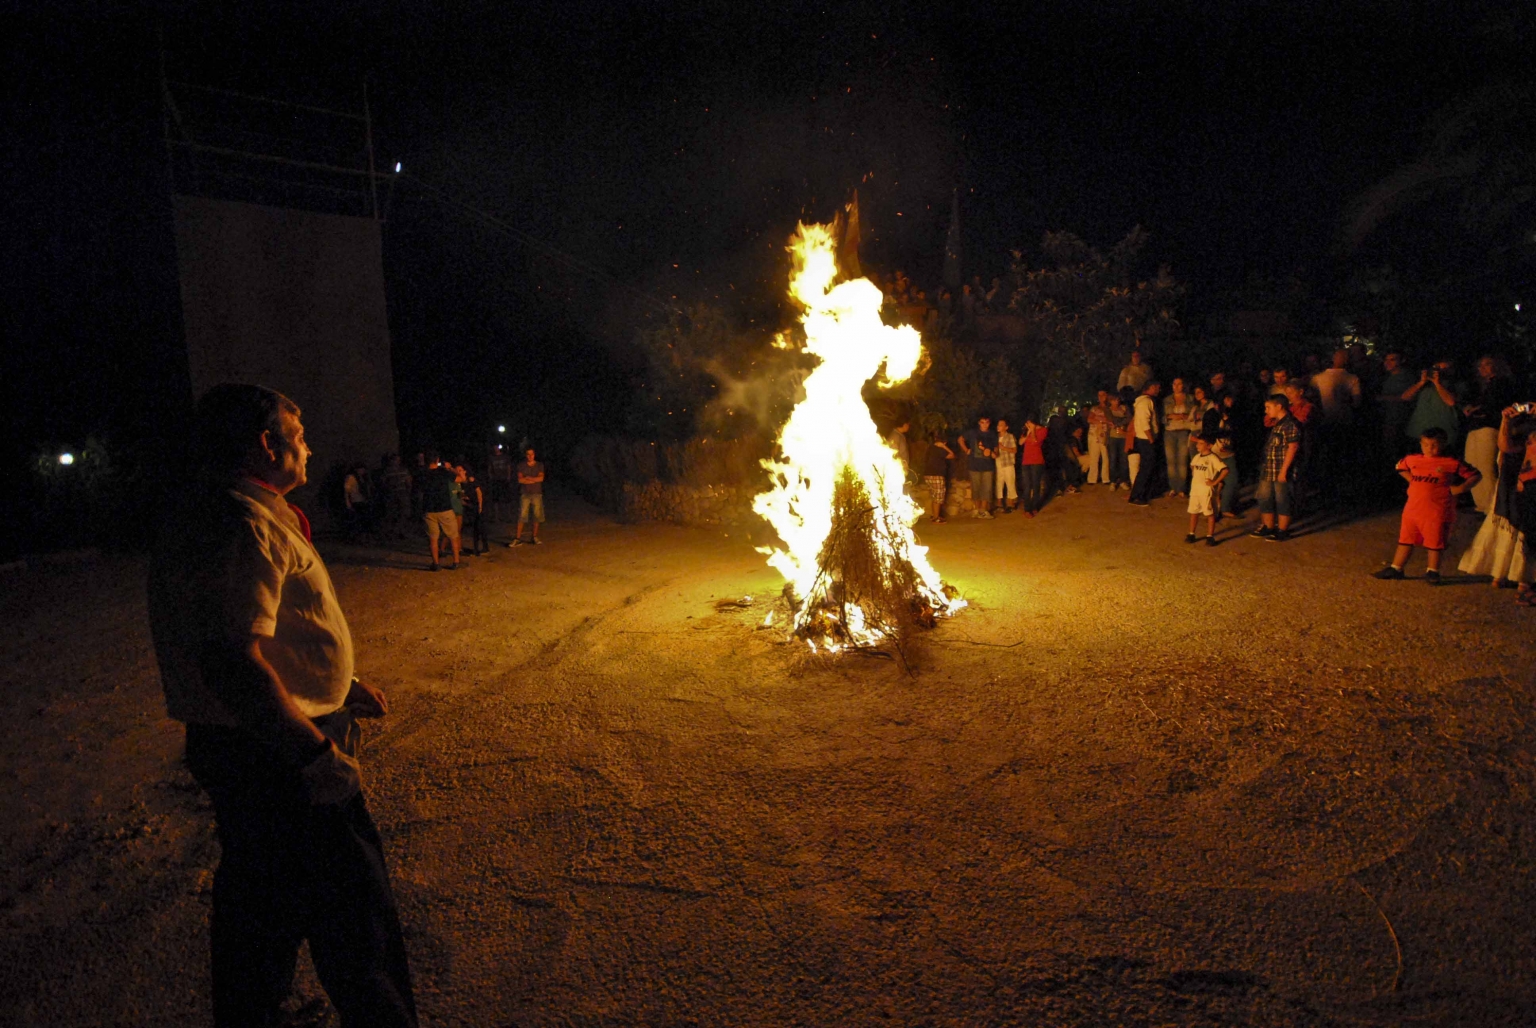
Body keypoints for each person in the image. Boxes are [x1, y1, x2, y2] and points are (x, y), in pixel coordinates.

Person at [147, 384, 417, 1028]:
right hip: (273, 748)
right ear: (268, 444)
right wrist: (314, 753)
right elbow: (231, 659)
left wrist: (339, 682)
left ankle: (251, 1014)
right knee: (355, 907)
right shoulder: (240, 523)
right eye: (298, 435)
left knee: (263, 899)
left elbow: (268, 632)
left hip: (252, 740)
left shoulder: (235, 512)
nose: (310, 447)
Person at [1372, 427, 1480, 584]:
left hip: (1437, 510)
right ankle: (1397, 568)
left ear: (1443, 444)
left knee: (1435, 541)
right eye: (1426, 444)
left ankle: (1433, 571)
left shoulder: (1451, 462)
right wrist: (1413, 480)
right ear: (1421, 444)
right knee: (1406, 539)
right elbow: (1400, 467)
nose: (1430, 448)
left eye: (1435, 445)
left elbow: (1475, 475)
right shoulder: (1413, 459)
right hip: (1413, 509)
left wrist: (1461, 488)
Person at [1459, 406, 1534, 589]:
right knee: (1506, 529)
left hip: (1528, 486)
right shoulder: (1520, 431)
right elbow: (1505, 446)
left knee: (1525, 531)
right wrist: (1505, 420)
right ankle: (1501, 572)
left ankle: (1523, 577)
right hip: (1510, 486)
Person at [1461, 356, 1516, 513]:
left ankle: (1494, 507)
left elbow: (1495, 405)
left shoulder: (1502, 383)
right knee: (1472, 465)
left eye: (1487, 364)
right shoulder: (1480, 386)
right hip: (1475, 427)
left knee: (1486, 466)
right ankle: (1482, 504)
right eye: (1480, 365)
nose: (1483, 368)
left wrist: (1476, 410)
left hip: (1489, 426)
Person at [1251, 395, 1301, 542]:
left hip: (1280, 468)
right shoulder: (1277, 424)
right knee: (1265, 497)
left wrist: (1284, 471)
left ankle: (1282, 530)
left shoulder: (1290, 424)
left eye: (1268, 407)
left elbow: (1293, 447)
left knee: (1282, 499)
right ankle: (1268, 526)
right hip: (1269, 467)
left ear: (1279, 406)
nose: (1266, 411)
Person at [1403, 359, 1462, 450]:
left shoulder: (1457, 385)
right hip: (1418, 433)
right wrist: (1421, 382)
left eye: (1445, 369)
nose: (1440, 371)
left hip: (1443, 436)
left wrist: (1438, 384)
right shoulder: (1425, 385)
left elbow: (1451, 401)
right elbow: (1405, 397)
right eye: (1437, 368)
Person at [419, 453, 461, 571]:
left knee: (433, 539)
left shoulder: (422, 473)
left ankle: (436, 563)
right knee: (453, 536)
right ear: (437, 460)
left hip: (429, 509)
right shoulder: (443, 472)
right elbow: (460, 478)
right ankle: (456, 561)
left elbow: (419, 491)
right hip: (445, 508)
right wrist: (450, 468)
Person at [1185, 435, 1229, 546]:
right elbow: (1192, 466)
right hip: (1195, 490)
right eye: (1197, 443)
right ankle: (1191, 533)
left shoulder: (1213, 458)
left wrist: (1214, 482)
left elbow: (1225, 470)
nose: (1197, 445)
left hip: (1206, 491)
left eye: (1201, 443)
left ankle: (1210, 536)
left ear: (1209, 446)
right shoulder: (1197, 457)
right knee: (1194, 512)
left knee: (1210, 513)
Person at [1162, 377, 1199, 497]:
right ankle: (1173, 487)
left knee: (1182, 459)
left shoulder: (1190, 398)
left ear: (1183, 385)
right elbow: (1161, 417)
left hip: (1184, 430)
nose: (1176, 386)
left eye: (1179, 384)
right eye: (1174, 384)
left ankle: (1182, 488)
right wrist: (1169, 417)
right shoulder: (1167, 399)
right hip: (1170, 431)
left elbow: (1195, 414)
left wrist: (1184, 415)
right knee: (1171, 460)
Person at [1127, 381, 1162, 506]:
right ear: (1151, 387)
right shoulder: (1146, 402)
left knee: (1146, 468)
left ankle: (1139, 494)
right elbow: (1144, 422)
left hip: (1144, 438)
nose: (1159, 389)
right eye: (1157, 387)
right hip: (1146, 439)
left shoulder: (1142, 402)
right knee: (1146, 469)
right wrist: (1151, 438)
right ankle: (1138, 496)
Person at [958, 416, 997, 518]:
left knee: (987, 489)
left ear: (989, 423)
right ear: (979, 423)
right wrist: (966, 450)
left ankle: (983, 510)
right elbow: (960, 439)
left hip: (988, 466)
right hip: (974, 465)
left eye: (987, 422)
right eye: (982, 422)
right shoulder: (972, 432)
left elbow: (996, 448)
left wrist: (994, 453)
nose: (984, 424)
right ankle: (976, 509)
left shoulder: (992, 434)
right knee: (976, 488)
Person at [510, 447, 546, 544]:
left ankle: (534, 536)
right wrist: (534, 479)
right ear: (526, 455)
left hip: (536, 493)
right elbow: (520, 480)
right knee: (522, 516)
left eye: (532, 454)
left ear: (534, 455)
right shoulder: (521, 465)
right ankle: (517, 538)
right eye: (528, 454)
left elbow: (541, 478)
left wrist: (529, 478)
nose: (530, 456)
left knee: (536, 516)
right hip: (525, 493)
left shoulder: (539, 465)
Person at [1018, 415, 1048, 516]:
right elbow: (1020, 442)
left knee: (1036, 485)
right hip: (1026, 461)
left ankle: (1034, 506)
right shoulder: (1026, 431)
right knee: (1027, 486)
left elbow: (1035, 442)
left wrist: (1033, 430)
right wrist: (1028, 432)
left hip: (1036, 461)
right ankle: (1027, 509)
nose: (1027, 425)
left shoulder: (1043, 430)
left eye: (1029, 423)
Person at [378, 453, 413, 541]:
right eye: (395, 460)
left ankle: (400, 531)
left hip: (402, 493)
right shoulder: (387, 471)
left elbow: (408, 481)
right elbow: (383, 482)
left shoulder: (403, 470)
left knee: (404, 513)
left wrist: (408, 491)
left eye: (398, 460)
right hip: (391, 494)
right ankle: (390, 532)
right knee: (391, 513)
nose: (397, 462)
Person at [922, 436, 954, 523]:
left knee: (934, 496)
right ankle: (936, 518)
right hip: (936, 475)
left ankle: (935, 515)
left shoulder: (930, 448)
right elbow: (952, 455)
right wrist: (944, 447)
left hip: (928, 475)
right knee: (938, 497)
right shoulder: (939, 449)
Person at [1085, 389, 1113, 485]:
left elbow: (1111, 421)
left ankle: (1106, 478)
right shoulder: (1094, 408)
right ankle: (1092, 478)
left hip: (1105, 435)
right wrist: (1101, 421)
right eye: (1099, 395)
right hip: (1094, 435)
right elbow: (1089, 419)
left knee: (1106, 457)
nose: (1101, 397)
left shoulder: (1110, 409)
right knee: (1094, 457)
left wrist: (1099, 420)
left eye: (1103, 395)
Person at [1107, 391, 1132, 490]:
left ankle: (1123, 480)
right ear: (1110, 401)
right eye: (1114, 400)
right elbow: (1111, 420)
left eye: (1118, 400)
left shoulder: (1125, 408)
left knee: (1124, 459)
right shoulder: (1108, 410)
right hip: (1113, 437)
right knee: (1113, 459)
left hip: (1124, 437)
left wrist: (1117, 424)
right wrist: (1121, 422)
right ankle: (1113, 481)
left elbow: (1129, 418)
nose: (1116, 402)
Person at [993, 418, 1018, 513]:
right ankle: (999, 503)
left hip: (1008, 463)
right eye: (998, 424)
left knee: (1010, 481)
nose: (998, 426)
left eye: (1001, 425)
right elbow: (995, 450)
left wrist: (1003, 448)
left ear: (1006, 427)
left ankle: (1010, 503)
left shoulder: (1010, 437)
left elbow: (1014, 450)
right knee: (999, 482)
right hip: (998, 462)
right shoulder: (995, 437)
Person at [461, 467, 487, 556]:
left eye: (461, 470)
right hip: (469, 506)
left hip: (476, 505)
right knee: (474, 528)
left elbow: (478, 492)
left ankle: (484, 548)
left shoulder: (471, 480)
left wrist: (480, 506)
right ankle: (476, 549)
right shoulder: (461, 482)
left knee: (479, 527)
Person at [342, 464, 372, 539]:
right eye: (361, 469)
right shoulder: (351, 477)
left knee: (364, 518)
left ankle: (363, 536)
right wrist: (348, 502)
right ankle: (356, 536)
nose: (362, 471)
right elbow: (347, 491)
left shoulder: (363, 478)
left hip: (363, 499)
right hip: (355, 500)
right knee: (357, 519)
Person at [487, 444, 514, 522]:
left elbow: (508, 467)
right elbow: (490, 468)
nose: (496, 449)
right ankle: (496, 517)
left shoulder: (505, 457)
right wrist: (490, 476)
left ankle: (508, 516)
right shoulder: (491, 457)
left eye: (497, 447)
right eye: (494, 447)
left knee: (507, 498)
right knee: (496, 498)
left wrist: (508, 476)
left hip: (504, 479)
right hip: (495, 479)